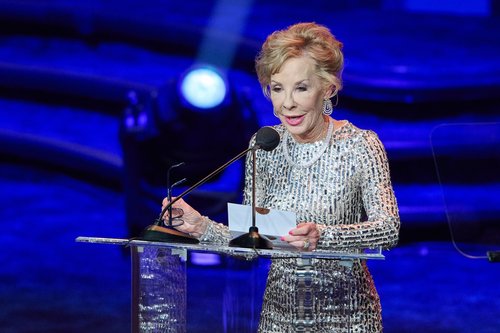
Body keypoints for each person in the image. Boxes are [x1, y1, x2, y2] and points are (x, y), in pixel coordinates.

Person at [162, 22, 400, 332]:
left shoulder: (361, 145)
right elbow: (254, 240)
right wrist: (200, 227)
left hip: (348, 316)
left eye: (301, 87)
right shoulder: (264, 145)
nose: (287, 103)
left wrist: (323, 236)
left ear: (327, 88)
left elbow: (388, 229)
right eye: (277, 88)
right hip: (280, 317)